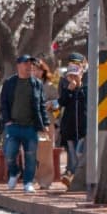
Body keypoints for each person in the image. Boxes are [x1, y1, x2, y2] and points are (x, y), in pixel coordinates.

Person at [0, 55, 49, 193]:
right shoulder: (9, 82)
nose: (29, 66)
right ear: (18, 65)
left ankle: (28, 182)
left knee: (30, 155)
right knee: (9, 153)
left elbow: (41, 105)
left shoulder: (36, 83)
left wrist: (45, 122)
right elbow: (3, 103)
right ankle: (14, 172)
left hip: (31, 126)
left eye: (30, 64)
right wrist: (7, 120)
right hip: (13, 125)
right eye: (25, 63)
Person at [31, 58, 59, 189]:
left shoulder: (49, 86)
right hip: (30, 122)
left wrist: (51, 104)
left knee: (46, 150)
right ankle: (31, 179)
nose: (35, 72)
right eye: (32, 70)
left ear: (43, 71)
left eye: (38, 70)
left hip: (47, 122)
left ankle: (46, 180)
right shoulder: (26, 85)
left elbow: (58, 103)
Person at [57, 61, 87, 181]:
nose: (73, 78)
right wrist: (69, 91)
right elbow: (62, 102)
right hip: (69, 129)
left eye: (75, 75)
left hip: (82, 129)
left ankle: (79, 177)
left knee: (80, 153)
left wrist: (78, 89)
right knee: (72, 155)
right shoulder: (66, 90)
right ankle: (73, 178)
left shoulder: (85, 89)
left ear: (81, 75)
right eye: (70, 76)